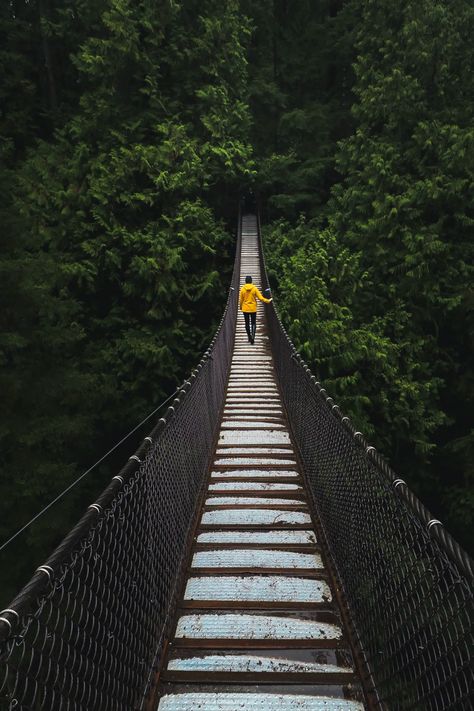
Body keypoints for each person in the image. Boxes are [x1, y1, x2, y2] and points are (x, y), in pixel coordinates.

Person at [239, 275, 272, 344]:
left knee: (247, 323)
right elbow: (261, 298)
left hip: (245, 309)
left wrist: (240, 306)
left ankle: (249, 337)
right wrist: (268, 301)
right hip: (253, 308)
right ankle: (253, 338)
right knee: (253, 323)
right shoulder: (254, 288)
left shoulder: (242, 289)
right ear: (251, 281)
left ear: (245, 281)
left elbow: (241, 300)